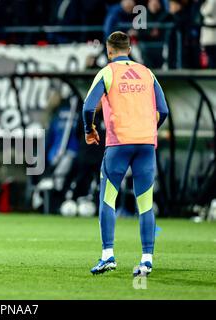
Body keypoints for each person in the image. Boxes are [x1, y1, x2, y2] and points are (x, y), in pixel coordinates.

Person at [82, 31, 169, 276]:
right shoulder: (147, 73)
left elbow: (88, 106)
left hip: (119, 143)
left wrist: (89, 131)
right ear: (129, 50)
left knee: (108, 199)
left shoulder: (107, 72)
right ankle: (146, 260)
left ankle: (108, 255)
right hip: (145, 144)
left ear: (109, 51)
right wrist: (149, 130)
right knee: (145, 203)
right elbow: (163, 110)